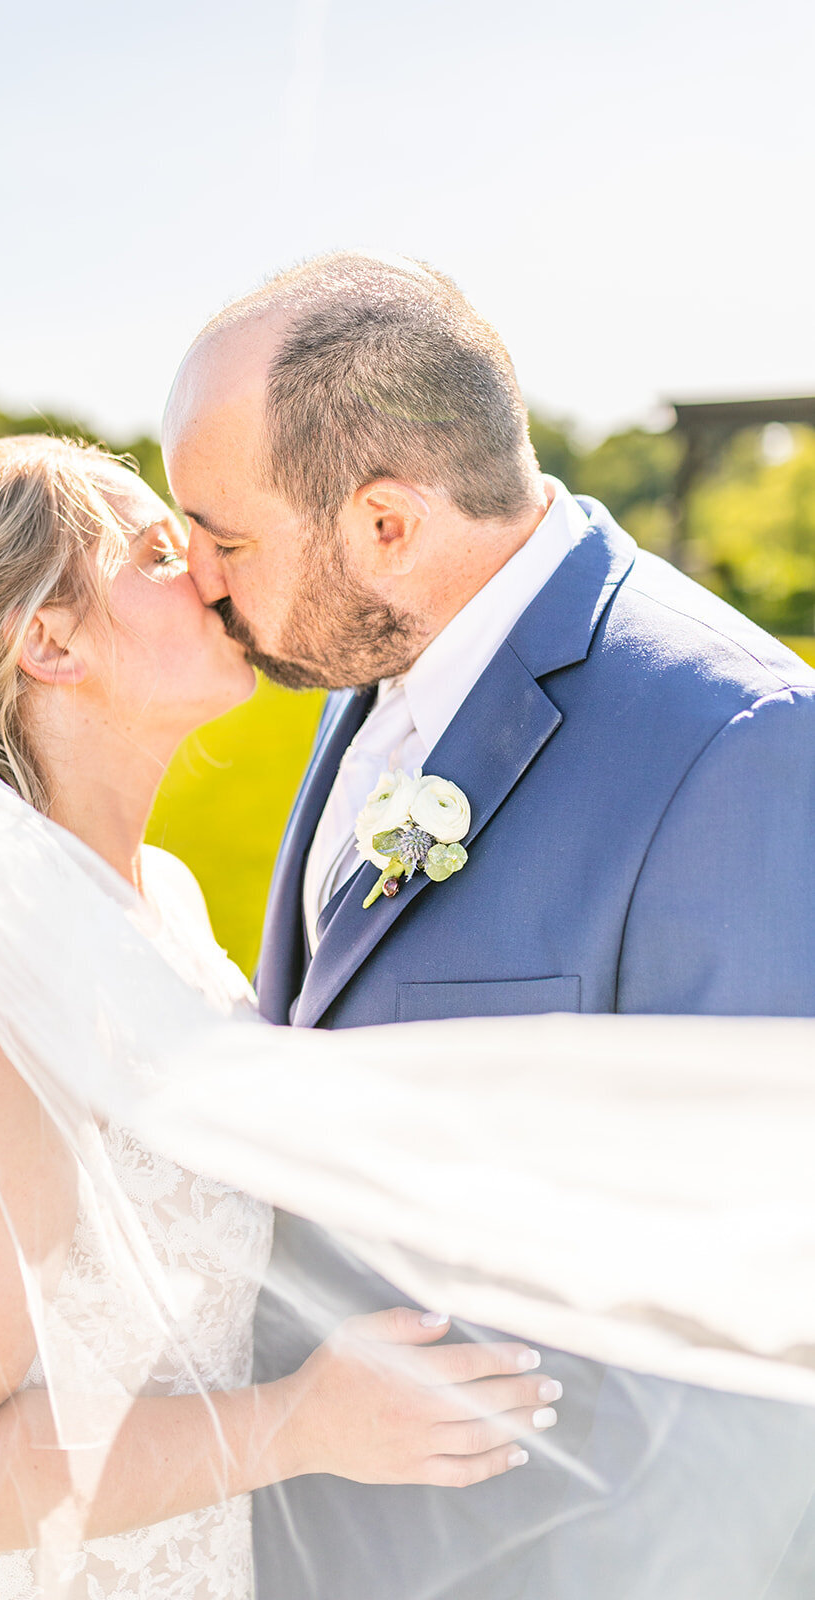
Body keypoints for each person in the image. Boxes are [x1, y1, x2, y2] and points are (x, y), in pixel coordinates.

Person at [0, 436, 560, 1600]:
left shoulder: (157, 894)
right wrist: (298, 1423)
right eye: (161, 552)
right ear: (52, 641)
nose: (216, 574)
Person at [160, 250, 815, 1598]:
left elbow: (748, 1350)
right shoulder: (374, 656)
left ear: (386, 524)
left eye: (225, 540)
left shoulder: (730, 743)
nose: (204, 583)